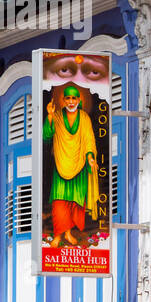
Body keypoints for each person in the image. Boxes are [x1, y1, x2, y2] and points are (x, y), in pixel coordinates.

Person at [43, 83, 100, 248]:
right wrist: (50, 116)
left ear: (79, 99)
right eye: (67, 98)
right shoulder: (59, 116)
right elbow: (47, 135)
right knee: (60, 202)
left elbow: (89, 139)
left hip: (80, 165)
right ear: (63, 99)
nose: (70, 101)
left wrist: (90, 157)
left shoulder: (84, 118)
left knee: (75, 202)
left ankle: (68, 232)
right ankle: (58, 234)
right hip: (61, 165)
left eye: (73, 98)